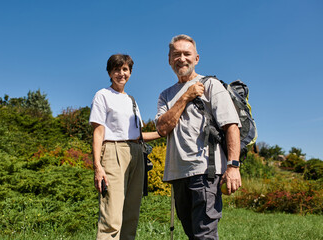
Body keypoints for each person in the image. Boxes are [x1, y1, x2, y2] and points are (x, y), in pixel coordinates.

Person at [155, 34, 242, 239]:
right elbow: (162, 128)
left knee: (204, 235)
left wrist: (233, 166)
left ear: (197, 59)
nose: (182, 58)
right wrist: (186, 96)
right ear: (169, 60)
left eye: (187, 54)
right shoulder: (165, 95)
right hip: (177, 174)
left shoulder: (211, 85)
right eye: (176, 54)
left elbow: (231, 125)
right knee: (193, 234)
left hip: (205, 172)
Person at [89, 54, 160, 240]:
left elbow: (138, 135)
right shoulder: (102, 95)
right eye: (117, 69)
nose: (121, 73)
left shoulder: (132, 101)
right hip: (113, 152)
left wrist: (164, 132)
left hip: (136, 153)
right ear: (110, 72)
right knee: (111, 216)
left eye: (125, 69)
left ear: (130, 72)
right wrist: (97, 166)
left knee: (131, 215)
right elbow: (98, 132)